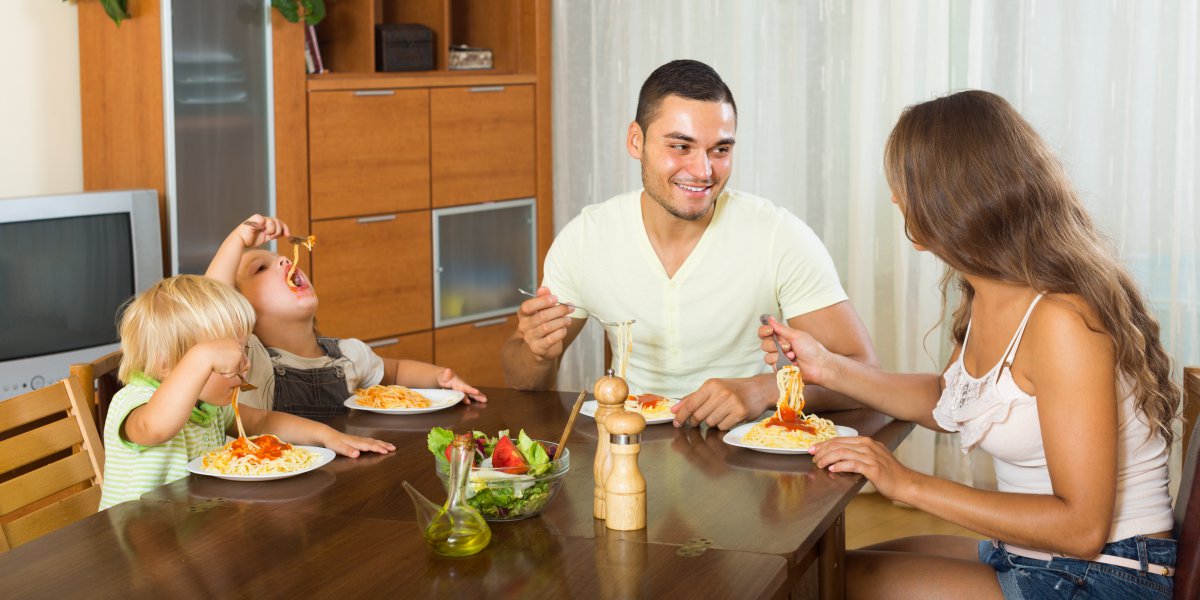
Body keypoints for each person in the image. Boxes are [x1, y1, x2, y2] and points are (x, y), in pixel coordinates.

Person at [761, 90, 1179, 599]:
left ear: (950, 194)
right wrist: (827, 367)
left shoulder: (1062, 319)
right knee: (820, 571)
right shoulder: (989, 287)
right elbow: (951, 401)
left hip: (1110, 573)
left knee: (832, 584)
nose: (895, 198)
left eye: (904, 184)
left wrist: (906, 482)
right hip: (1039, 554)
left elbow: (1081, 528)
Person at [502, 59, 877, 429]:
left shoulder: (779, 236)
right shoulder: (586, 237)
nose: (703, 171)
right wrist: (536, 353)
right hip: (628, 450)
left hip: (746, 458)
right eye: (681, 147)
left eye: (720, 150)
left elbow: (864, 376)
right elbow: (524, 380)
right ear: (636, 141)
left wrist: (763, 391)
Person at [99, 275, 395, 510]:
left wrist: (328, 436)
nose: (245, 364)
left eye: (243, 351)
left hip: (191, 528)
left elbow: (263, 422)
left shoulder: (209, 406)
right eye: (224, 360)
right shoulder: (136, 403)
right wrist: (203, 358)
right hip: (136, 546)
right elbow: (158, 428)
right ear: (167, 365)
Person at [206, 216, 485, 419]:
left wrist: (441, 379)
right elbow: (212, 304)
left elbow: (396, 371)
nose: (284, 261)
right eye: (260, 268)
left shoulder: (347, 354)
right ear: (239, 306)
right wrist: (237, 240)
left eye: (282, 258)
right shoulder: (251, 362)